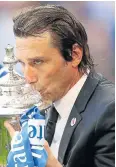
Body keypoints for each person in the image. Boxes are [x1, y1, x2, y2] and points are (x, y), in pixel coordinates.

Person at [4, 4, 114, 167]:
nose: (27, 77)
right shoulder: (40, 108)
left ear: (75, 54)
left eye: (38, 62)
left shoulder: (110, 110)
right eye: (22, 63)